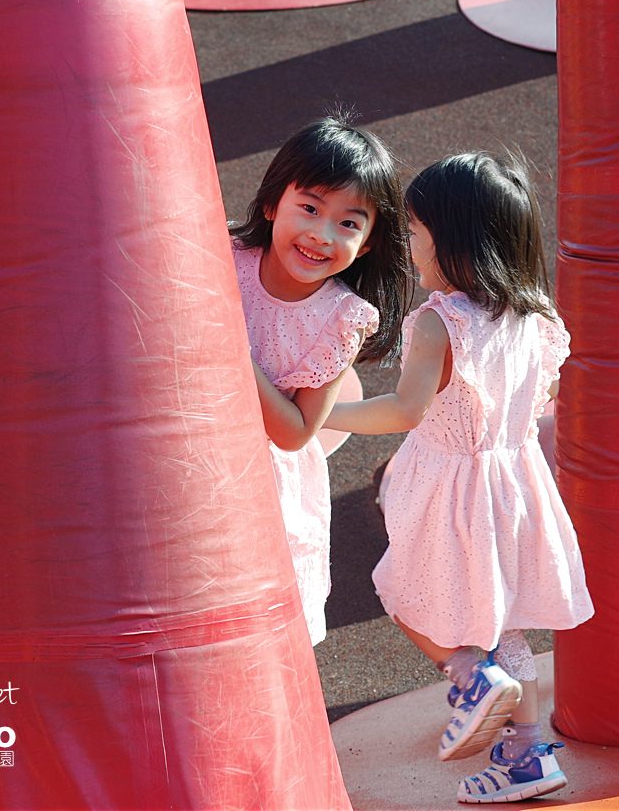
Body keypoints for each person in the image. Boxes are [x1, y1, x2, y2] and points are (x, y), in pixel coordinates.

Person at [326, 152, 592, 804]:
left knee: (399, 589)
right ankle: (529, 757)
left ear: (454, 241)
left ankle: (467, 673)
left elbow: (405, 408)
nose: (408, 245)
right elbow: (537, 402)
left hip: (450, 489)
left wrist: (322, 412)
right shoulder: (535, 321)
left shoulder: (442, 322)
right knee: (503, 626)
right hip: (513, 486)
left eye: (414, 233)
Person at [231, 116, 409, 645]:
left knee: (252, 615)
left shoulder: (342, 318)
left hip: (262, 480)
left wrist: (233, 355)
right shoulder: (225, 258)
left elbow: (294, 433)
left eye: (348, 224)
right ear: (271, 205)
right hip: (186, 449)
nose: (321, 234)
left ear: (370, 242)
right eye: (309, 208)